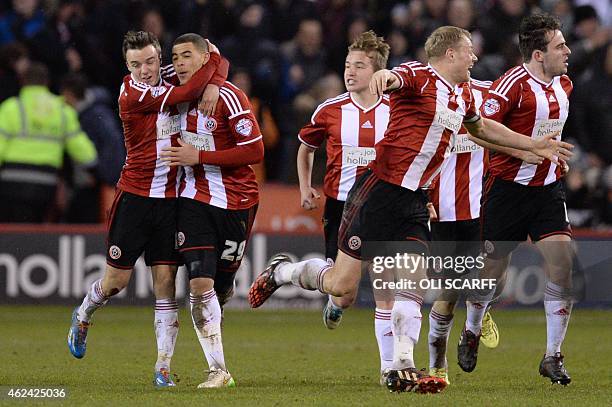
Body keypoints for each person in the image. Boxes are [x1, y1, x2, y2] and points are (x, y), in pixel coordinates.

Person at [248, 25, 572, 394]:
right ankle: (283, 272)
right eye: (469, 51)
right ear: (450, 54)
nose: (475, 58)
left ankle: (402, 366)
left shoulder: (464, 94)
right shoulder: (418, 75)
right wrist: (384, 77)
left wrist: (534, 146)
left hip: (416, 201)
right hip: (376, 193)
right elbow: (394, 77)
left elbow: (482, 130)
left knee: (412, 285)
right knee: (342, 286)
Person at [67, 31, 228, 389]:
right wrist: (214, 75)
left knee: (166, 284)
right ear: (127, 67)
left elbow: (218, 56)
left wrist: (215, 78)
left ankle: (163, 368)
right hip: (135, 199)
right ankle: (84, 313)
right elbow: (191, 89)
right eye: (135, 64)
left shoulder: (169, 76)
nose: (144, 69)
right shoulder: (133, 93)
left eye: (151, 61)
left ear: (160, 59)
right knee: (115, 283)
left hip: (172, 201)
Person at [456, 14, 575, 386]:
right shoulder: (510, 87)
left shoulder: (565, 86)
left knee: (563, 266)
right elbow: (476, 132)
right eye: (559, 46)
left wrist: (552, 156)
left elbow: (549, 132)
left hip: (547, 192)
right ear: (539, 55)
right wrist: (522, 151)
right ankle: (472, 328)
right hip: (506, 191)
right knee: (493, 275)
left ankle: (552, 356)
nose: (567, 51)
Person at [159, 33, 264, 388]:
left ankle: (224, 289)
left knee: (218, 287)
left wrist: (199, 156)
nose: (180, 63)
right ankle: (219, 370)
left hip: (237, 202)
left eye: (187, 55)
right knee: (198, 283)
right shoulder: (170, 90)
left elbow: (255, 151)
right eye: (175, 56)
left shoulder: (230, 97)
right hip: (193, 199)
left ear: (205, 59)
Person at [296, 30, 394, 384]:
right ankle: (333, 302)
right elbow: (306, 149)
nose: (350, 72)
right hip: (341, 207)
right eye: (347, 65)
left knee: (386, 286)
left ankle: (389, 369)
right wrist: (306, 187)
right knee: (345, 291)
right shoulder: (330, 110)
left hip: (385, 206)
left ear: (377, 70)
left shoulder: (396, 110)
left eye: (359, 66)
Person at [0, 62, 97, 222]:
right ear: (47, 82)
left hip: (12, 182)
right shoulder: (62, 110)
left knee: (11, 233)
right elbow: (85, 153)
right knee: (36, 231)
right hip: (45, 184)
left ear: (22, 81)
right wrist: (94, 167)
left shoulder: (11, 108)